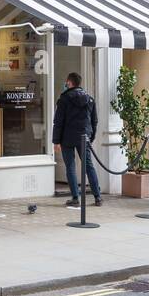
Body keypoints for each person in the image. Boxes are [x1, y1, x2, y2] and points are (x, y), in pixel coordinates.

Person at [53, 71, 101, 207]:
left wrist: (56, 141)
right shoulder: (90, 99)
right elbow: (94, 121)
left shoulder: (64, 99)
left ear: (69, 83)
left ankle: (75, 198)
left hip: (67, 138)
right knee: (89, 166)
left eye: (66, 83)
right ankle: (97, 197)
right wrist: (90, 138)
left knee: (70, 167)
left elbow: (58, 122)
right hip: (84, 137)